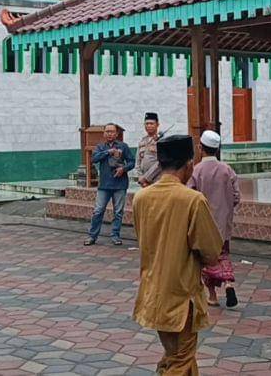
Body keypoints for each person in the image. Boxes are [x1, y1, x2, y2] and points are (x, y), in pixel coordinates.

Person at [133, 135, 223, 375]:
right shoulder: (192, 200)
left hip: (154, 291)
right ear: (189, 165)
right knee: (181, 359)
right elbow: (211, 250)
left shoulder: (141, 198)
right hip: (182, 296)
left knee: (175, 355)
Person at [187, 130, 241, 308]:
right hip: (223, 224)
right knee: (223, 253)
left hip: (204, 224)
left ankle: (212, 296)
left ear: (200, 147)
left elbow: (189, 195)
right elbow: (236, 196)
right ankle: (228, 283)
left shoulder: (197, 170)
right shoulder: (227, 169)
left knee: (206, 259)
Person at [85, 123, 135, 246]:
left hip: (120, 184)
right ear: (104, 133)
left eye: (112, 131)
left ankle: (115, 235)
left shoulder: (123, 146)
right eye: (107, 131)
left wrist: (123, 169)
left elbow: (132, 162)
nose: (109, 134)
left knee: (118, 212)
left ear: (116, 133)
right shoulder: (101, 147)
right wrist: (108, 152)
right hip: (104, 185)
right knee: (98, 210)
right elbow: (94, 159)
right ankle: (92, 236)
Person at [136, 112, 162, 187]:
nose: (149, 126)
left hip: (157, 179)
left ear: (157, 125)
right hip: (143, 182)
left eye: (151, 123)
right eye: (146, 124)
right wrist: (140, 177)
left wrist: (146, 178)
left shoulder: (162, 141)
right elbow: (138, 161)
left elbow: (161, 162)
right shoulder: (142, 141)